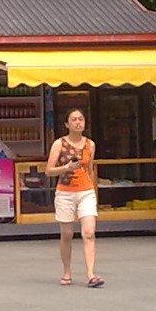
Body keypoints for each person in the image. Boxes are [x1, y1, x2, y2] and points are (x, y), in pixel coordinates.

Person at [46, 107, 101, 286]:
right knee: (67, 234)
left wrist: (93, 190)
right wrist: (66, 168)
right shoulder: (59, 144)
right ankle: (67, 271)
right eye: (74, 119)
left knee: (89, 232)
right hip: (65, 192)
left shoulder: (90, 144)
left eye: (81, 119)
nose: (78, 122)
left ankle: (91, 274)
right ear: (67, 124)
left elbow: (90, 168)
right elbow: (48, 171)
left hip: (86, 191)